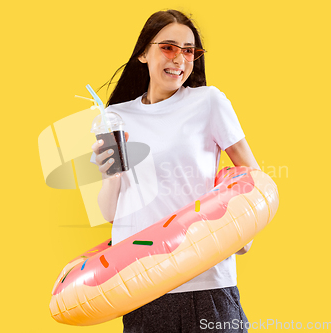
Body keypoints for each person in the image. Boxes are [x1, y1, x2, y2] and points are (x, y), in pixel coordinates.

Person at [90, 9, 261, 333]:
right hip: (141, 288)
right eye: (168, 47)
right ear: (143, 52)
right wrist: (111, 175)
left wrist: (242, 234)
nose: (180, 59)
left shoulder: (209, 102)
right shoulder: (114, 117)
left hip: (205, 285)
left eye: (188, 50)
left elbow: (252, 176)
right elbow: (111, 213)